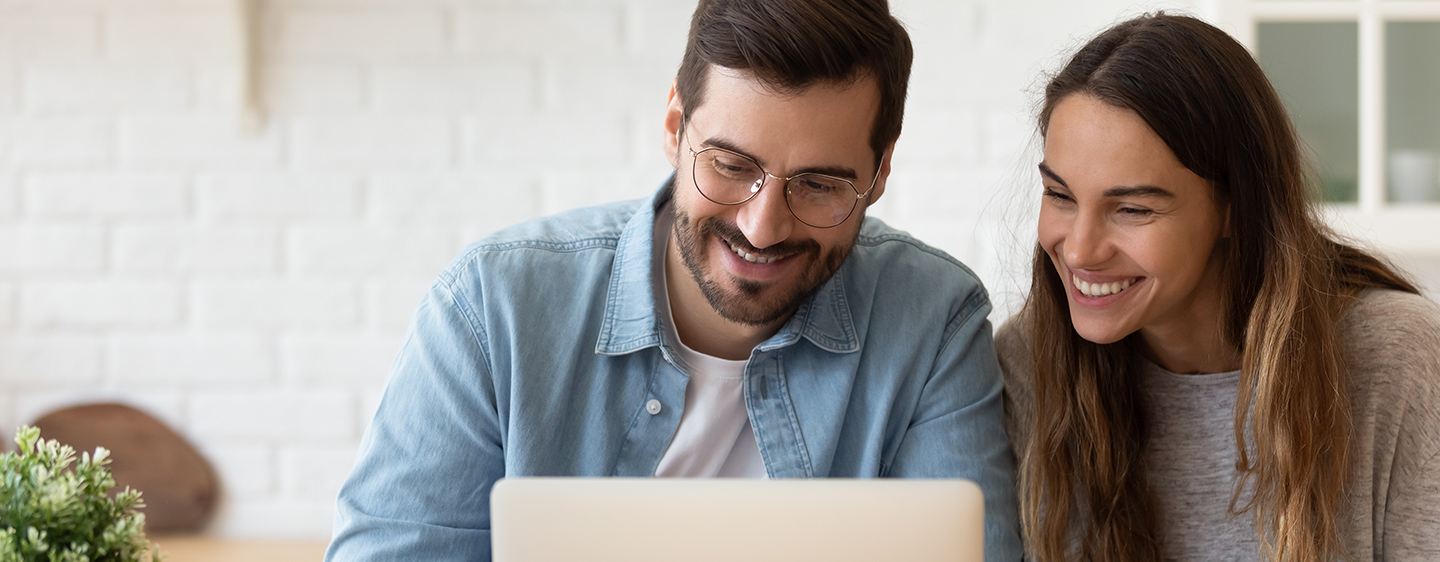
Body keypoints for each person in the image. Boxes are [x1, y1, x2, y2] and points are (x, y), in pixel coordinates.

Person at [325, 1, 1022, 560]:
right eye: (728, 165)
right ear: (673, 127)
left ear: (879, 176)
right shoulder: (489, 309)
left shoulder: (934, 322)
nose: (762, 226)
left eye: (818, 184)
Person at [998, 13, 1440, 562]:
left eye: (1132, 208)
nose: (1081, 250)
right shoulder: (1028, 360)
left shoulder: (1398, 360)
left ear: (1235, 208)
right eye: (1060, 196)